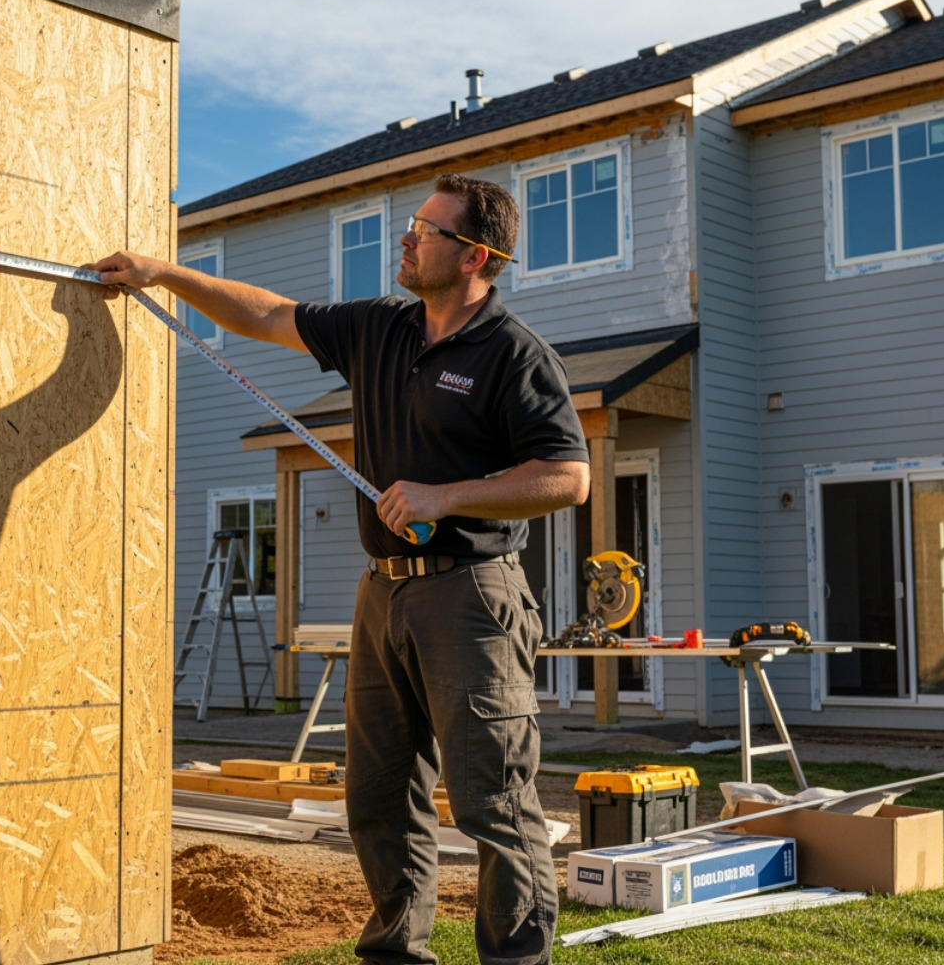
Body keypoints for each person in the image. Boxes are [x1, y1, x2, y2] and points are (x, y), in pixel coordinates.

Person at [94, 173, 589, 965]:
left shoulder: (511, 353)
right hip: (382, 592)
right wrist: (166, 273)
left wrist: (448, 495)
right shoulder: (381, 327)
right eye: (412, 224)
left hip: (471, 594)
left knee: (492, 798)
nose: (407, 237)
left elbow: (567, 477)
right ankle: (396, 953)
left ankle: (516, 959)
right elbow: (268, 313)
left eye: (427, 230)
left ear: (476, 258)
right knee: (378, 798)